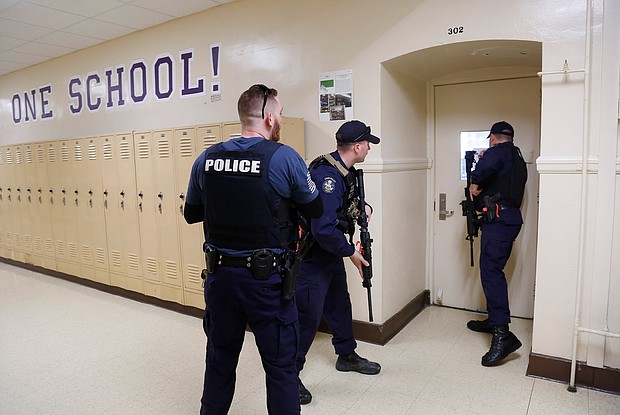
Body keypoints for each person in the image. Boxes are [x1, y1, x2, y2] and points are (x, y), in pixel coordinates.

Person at [183, 84, 323, 415]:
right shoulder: (283, 157)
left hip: (220, 281)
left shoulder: (207, 157)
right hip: (267, 284)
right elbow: (314, 208)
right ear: (269, 116)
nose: (282, 120)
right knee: (280, 369)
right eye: (281, 114)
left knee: (219, 361)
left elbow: (192, 213)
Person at [296, 120, 381, 405]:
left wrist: (363, 208)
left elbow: (345, 207)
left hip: (330, 254)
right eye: (367, 143)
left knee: (339, 305)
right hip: (314, 257)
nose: (369, 147)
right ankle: (288, 374)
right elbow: (322, 230)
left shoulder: (346, 173)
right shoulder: (327, 177)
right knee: (307, 317)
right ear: (357, 147)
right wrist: (351, 253)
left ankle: (346, 355)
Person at [467, 120, 527, 367]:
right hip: (507, 220)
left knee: (491, 273)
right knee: (492, 271)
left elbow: (480, 174)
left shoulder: (496, 152)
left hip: (499, 221)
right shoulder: (517, 156)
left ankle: (503, 336)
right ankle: (494, 321)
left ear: (492, 137)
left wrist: (473, 181)